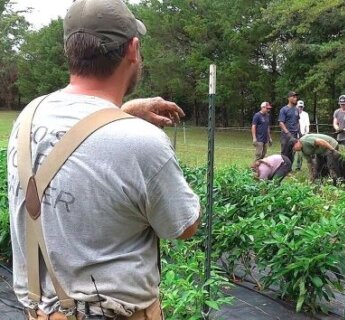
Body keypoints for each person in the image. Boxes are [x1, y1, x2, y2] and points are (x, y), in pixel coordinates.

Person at [7, 1, 200, 319]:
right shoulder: (143, 143)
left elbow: (76, 146)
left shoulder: (29, 116)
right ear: (133, 49)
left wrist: (121, 114)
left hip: (39, 312)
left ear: (70, 50)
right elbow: (184, 226)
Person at [278, 91, 300, 165]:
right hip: (286, 135)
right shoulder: (284, 109)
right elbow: (281, 123)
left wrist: (299, 132)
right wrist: (287, 133)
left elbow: (297, 121)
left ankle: (289, 169)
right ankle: (283, 169)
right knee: (285, 153)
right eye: (293, 97)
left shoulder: (296, 109)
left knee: (292, 152)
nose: (295, 98)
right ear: (289, 98)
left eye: (296, 97)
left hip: (294, 134)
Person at [294, 100, 310, 170]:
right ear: (296, 106)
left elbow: (307, 125)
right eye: (299, 107)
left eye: (301, 107)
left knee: (300, 152)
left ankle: (298, 166)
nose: (300, 108)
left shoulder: (305, 114)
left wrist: (306, 133)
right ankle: (289, 166)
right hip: (294, 135)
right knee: (292, 151)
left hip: (303, 135)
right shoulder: (293, 113)